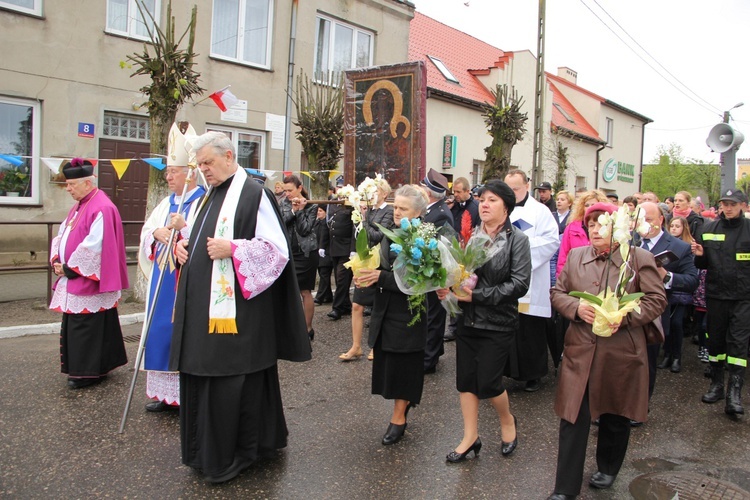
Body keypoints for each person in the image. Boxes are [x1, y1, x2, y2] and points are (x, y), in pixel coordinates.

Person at [170, 131, 311, 483]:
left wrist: (234, 249)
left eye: (208, 163)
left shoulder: (254, 194)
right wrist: (182, 247)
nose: (203, 170)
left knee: (230, 379)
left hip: (237, 319)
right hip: (203, 314)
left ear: (229, 156)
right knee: (205, 375)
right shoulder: (209, 194)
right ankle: (207, 450)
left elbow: (276, 251)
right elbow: (204, 238)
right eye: (200, 164)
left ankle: (237, 453)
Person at [547, 202, 667, 499]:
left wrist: (624, 317)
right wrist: (577, 307)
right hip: (580, 352)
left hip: (620, 352)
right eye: (591, 226)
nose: (595, 230)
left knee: (615, 414)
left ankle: (609, 466)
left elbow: (656, 299)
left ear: (618, 228)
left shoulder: (638, 258)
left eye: (601, 224)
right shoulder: (576, 256)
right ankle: (565, 489)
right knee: (573, 417)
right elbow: (557, 293)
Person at [437, 179, 531, 462]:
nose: (484, 204)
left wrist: (476, 296)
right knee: (465, 381)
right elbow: (455, 272)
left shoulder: (518, 240)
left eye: (492, 200)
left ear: (506, 207)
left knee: (489, 383)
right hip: (467, 320)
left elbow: (519, 284)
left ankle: (507, 420)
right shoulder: (468, 236)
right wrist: (446, 286)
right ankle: (470, 437)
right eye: (482, 199)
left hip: (498, 321)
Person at [137, 122, 205, 412]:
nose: (167, 177)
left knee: (183, 331)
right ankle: (164, 394)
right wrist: (156, 234)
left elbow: (205, 236)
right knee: (160, 330)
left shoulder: (204, 200)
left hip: (186, 279)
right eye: (166, 172)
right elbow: (147, 228)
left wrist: (184, 227)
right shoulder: (166, 202)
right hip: (162, 280)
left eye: (172, 172)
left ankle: (186, 393)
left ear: (189, 174)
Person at [354, 185, 429, 446]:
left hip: (409, 312)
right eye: (395, 207)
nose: (396, 212)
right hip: (387, 306)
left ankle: (399, 418)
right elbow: (384, 264)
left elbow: (419, 281)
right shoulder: (393, 231)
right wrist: (366, 272)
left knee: (404, 366)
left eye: (403, 208)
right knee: (391, 364)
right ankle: (401, 408)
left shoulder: (423, 236)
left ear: (418, 212)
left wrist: (381, 277)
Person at [50, 158, 129, 389]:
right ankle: (98, 367)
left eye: (71, 184)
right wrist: (57, 258)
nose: (68, 189)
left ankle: (86, 372)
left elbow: (96, 245)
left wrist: (70, 267)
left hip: (87, 279)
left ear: (87, 183)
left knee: (85, 326)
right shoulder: (79, 206)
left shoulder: (101, 207)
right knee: (85, 323)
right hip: (74, 274)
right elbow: (62, 233)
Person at [692, 189, 750, 416]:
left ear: (743, 205)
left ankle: (734, 393)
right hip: (716, 295)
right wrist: (699, 255)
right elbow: (702, 265)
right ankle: (716, 384)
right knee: (715, 340)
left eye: (732, 204)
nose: (728, 208)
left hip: (743, 297)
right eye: (725, 204)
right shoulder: (708, 229)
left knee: (738, 343)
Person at [503, 169, 559, 392]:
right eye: (508, 189)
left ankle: (533, 374)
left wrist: (520, 251)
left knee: (530, 329)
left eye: (515, 189)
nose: (511, 193)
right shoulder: (502, 207)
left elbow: (551, 242)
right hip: (505, 278)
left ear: (527, 186)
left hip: (531, 279)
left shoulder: (540, 211)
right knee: (508, 326)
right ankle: (508, 370)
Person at [639, 202, 698, 384]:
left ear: (661, 220)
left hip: (654, 318)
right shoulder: (627, 241)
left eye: (648, 220)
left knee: (646, 369)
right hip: (623, 316)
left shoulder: (679, 247)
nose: (644, 224)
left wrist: (667, 276)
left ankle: (641, 408)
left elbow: (691, 281)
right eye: (640, 220)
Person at [340, 177, 394, 361]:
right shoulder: (367, 210)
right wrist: (353, 255)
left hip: (379, 265)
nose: (372, 195)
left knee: (378, 307)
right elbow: (357, 236)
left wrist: (364, 218)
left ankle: (375, 346)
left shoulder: (389, 211)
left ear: (385, 193)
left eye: (376, 191)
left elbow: (377, 236)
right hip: (363, 261)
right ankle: (356, 346)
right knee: (357, 305)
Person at [421, 168, 454, 373]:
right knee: (430, 314)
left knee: (434, 317)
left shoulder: (441, 213)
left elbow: (445, 245)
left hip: (435, 272)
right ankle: (435, 351)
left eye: (423, 187)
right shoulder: (432, 209)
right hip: (428, 270)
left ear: (430, 192)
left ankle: (429, 360)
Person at [280, 174, 319, 341]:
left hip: (306, 253)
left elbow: (305, 229)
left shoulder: (311, 206)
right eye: (285, 190)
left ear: (299, 188)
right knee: (288, 291)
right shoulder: (284, 204)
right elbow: (281, 223)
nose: (287, 194)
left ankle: (307, 328)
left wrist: (301, 210)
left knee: (305, 291)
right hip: (288, 253)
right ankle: (289, 327)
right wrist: (294, 211)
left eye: (290, 190)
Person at [446, 176, 481, 342]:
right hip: (454, 252)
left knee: (463, 288)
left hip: (467, 255)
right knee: (453, 288)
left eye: (459, 192)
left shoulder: (476, 207)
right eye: (455, 192)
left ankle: (461, 324)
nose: (456, 195)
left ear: (468, 191)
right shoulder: (453, 206)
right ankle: (453, 325)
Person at [556, 190, 609, 277]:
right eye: (586, 205)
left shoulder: (608, 227)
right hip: (575, 276)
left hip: (599, 275)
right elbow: (563, 257)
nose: (590, 208)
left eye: (593, 205)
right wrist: (561, 279)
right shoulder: (571, 227)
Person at [326, 195, 355, 321]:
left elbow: (355, 229)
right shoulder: (334, 206)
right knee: (339, 280)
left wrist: (353, 249)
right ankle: (346, 305)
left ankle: (337, 308)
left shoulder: (352, 208)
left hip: (346, 249)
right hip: (335, 248)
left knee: (342, 279)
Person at [313, 206, 333, 305]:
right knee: (322, 274)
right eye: (317, 211)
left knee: (324, 275)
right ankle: (328, 295)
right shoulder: (316, 223)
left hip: (327, 253)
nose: (318, 213)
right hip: (319, 253)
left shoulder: (328, 223)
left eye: (321, 211)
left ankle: (319, 297)